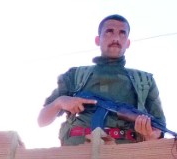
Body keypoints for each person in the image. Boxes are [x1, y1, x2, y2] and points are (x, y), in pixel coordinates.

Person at [37, 14, 166, 146]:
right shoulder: (75, 75)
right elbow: (42, 121)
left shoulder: (144, 81)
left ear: (127, 43)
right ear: (98, 40)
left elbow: (159, 130)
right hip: (77, 151)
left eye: (122, 33)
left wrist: (150, 134)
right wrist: (59, 102)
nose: (116, 38)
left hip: (125, 154)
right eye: (109, 32)